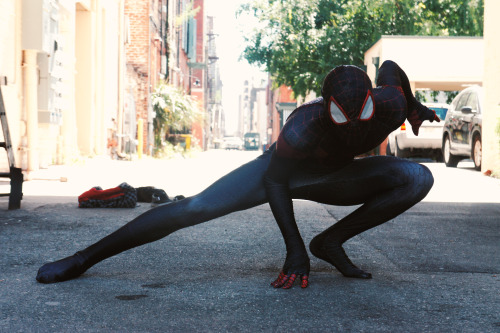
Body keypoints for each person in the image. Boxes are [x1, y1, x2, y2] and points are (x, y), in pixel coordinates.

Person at [36, 60, 439, 289]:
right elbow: (275, 181)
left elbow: (389, 67)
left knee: (418, 178)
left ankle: (329, 242)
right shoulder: (303, 125)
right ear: (326, 106)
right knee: (190, 209)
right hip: (283, 173)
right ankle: (83, 258)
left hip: (339, 175)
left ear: (375, 101)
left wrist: (417, 106)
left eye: (360, 114)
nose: (351, 125)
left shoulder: (392, 104)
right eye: (339, 115)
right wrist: (293, 250)